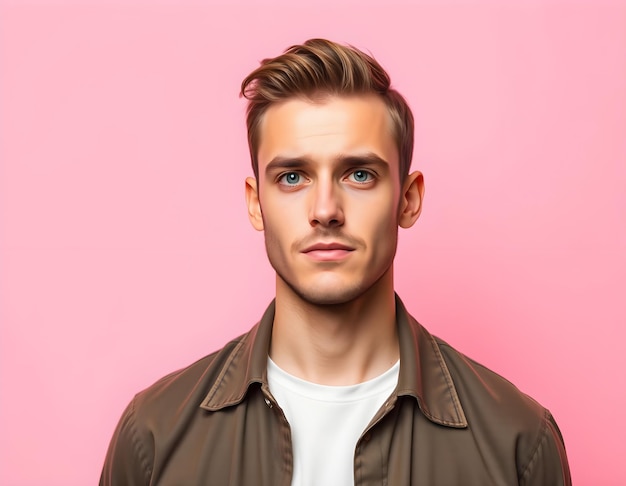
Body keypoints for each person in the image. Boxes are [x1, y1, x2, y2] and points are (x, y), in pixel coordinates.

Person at [100, 38, 571, 485]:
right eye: (292, 177)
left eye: (359, 174)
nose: (325, 209)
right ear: (255, 203)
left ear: (408, 200)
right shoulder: (155, 437)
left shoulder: (518, 442)